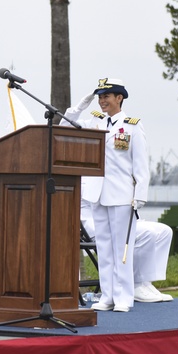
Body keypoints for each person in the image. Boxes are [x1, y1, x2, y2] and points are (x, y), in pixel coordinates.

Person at [61, 78, 148, 312]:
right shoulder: (95, 122)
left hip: (121, 194)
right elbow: (65, 126)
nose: (102, 101)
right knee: (104, 247)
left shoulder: (132, 126)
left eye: (106, 96)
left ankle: (124, 298)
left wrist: (139, 195)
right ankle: (108, 296)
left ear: (119, 98)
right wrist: (80, 106)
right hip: (96, 193)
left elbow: (140, 164)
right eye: (99, 97)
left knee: (121, 250)